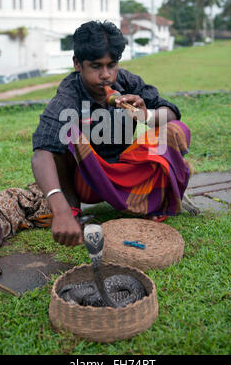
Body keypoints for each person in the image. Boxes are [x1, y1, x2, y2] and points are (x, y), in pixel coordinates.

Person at [31, 20, 192, 248]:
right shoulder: (68, 95)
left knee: (175, 130)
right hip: (89, 181)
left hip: (125, 171)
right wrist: (60, 210)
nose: (106, 75)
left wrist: (144, 116)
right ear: (78, 64)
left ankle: (151, 201)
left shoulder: (127, 82)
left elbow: (171, 112)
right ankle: (72, 209)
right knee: (66, 132)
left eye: (111, 65)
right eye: (96, 66)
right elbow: (41, 152)